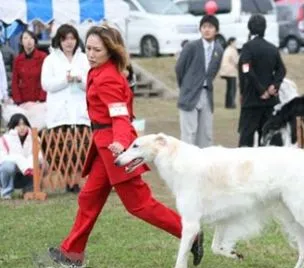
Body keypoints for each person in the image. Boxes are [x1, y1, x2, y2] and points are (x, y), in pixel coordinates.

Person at [47, 25, 204, 267]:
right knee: (89, 198)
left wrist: (121, 142)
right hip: (104, 147)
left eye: (96, 50)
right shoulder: (98, 71)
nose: (90, 54)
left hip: (114, 148)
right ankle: (71, 254)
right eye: (87, 48)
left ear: (110, 51)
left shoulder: (108, 77)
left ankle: (190, 232)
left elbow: (119, 115)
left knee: (139, 205)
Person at [41, 24, 91, 193]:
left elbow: (92, 83)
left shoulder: (84, 59)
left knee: (81, 146)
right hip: (59, 113)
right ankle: (67, 182)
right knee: (61, 147)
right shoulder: (50, 60)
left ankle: (78, 182)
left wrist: (79, 80)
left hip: (80, 112)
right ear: (59, 41)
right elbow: (46, 84)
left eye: (72, 38)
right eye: (65, 39)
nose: (69, 42)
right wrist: (65, 79)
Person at [238, 14, 286, 147]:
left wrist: (260, 90)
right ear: (265, 28)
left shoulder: (247, 47)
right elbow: (281, 70)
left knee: (246, 137)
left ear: (249, 28)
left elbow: (246, 69)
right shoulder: (272, 48)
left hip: (252, 100)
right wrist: (274, 86)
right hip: (269, 101)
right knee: (269, 137)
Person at [175, 15, 223, 148]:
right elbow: (179, 68)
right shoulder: (191, 46)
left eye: (210, 27)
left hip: (206, 94)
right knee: (189, 134)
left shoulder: (218, 49)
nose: (207, 30)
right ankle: (186, 166)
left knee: (206, 134)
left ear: (216, 30)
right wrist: (185, 86)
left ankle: (204, 165)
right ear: (200, 29)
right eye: (204, 27)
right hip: (189, 94)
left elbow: (213, 72)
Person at [0, 113, 43, 199]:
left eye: (24, 124)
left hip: (28, 172)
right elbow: (2, 158)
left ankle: (29, 189)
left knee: (40, 163)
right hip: (11, 173)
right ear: (12, 126)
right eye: (18, 125)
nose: (22, 127)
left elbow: (39, 155)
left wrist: (29, 162)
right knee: (8, 166)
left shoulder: (34, 137)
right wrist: (19, 160)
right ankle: (6, 192)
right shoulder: (5, 139)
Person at [11, 30, 47, 105]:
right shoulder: (17, 59)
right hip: (23, 99)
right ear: (21, 42)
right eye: (25, 38)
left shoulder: (43, 57)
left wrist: (42, 99)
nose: (29, 41)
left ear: (35, 41)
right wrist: (18, 100)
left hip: (39, 99)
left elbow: (46, 79)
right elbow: (15, 81)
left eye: (31, 38)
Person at [219, 37, 239, 108]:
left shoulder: (227, 49)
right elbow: (236, 62)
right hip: (230, 72)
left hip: (224, 71)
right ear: (231, 42)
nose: (236, 44)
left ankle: (228, 104)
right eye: (235, 42)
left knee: (229, 88)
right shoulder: (233, 50)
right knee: (232, 89)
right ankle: (231, 104)